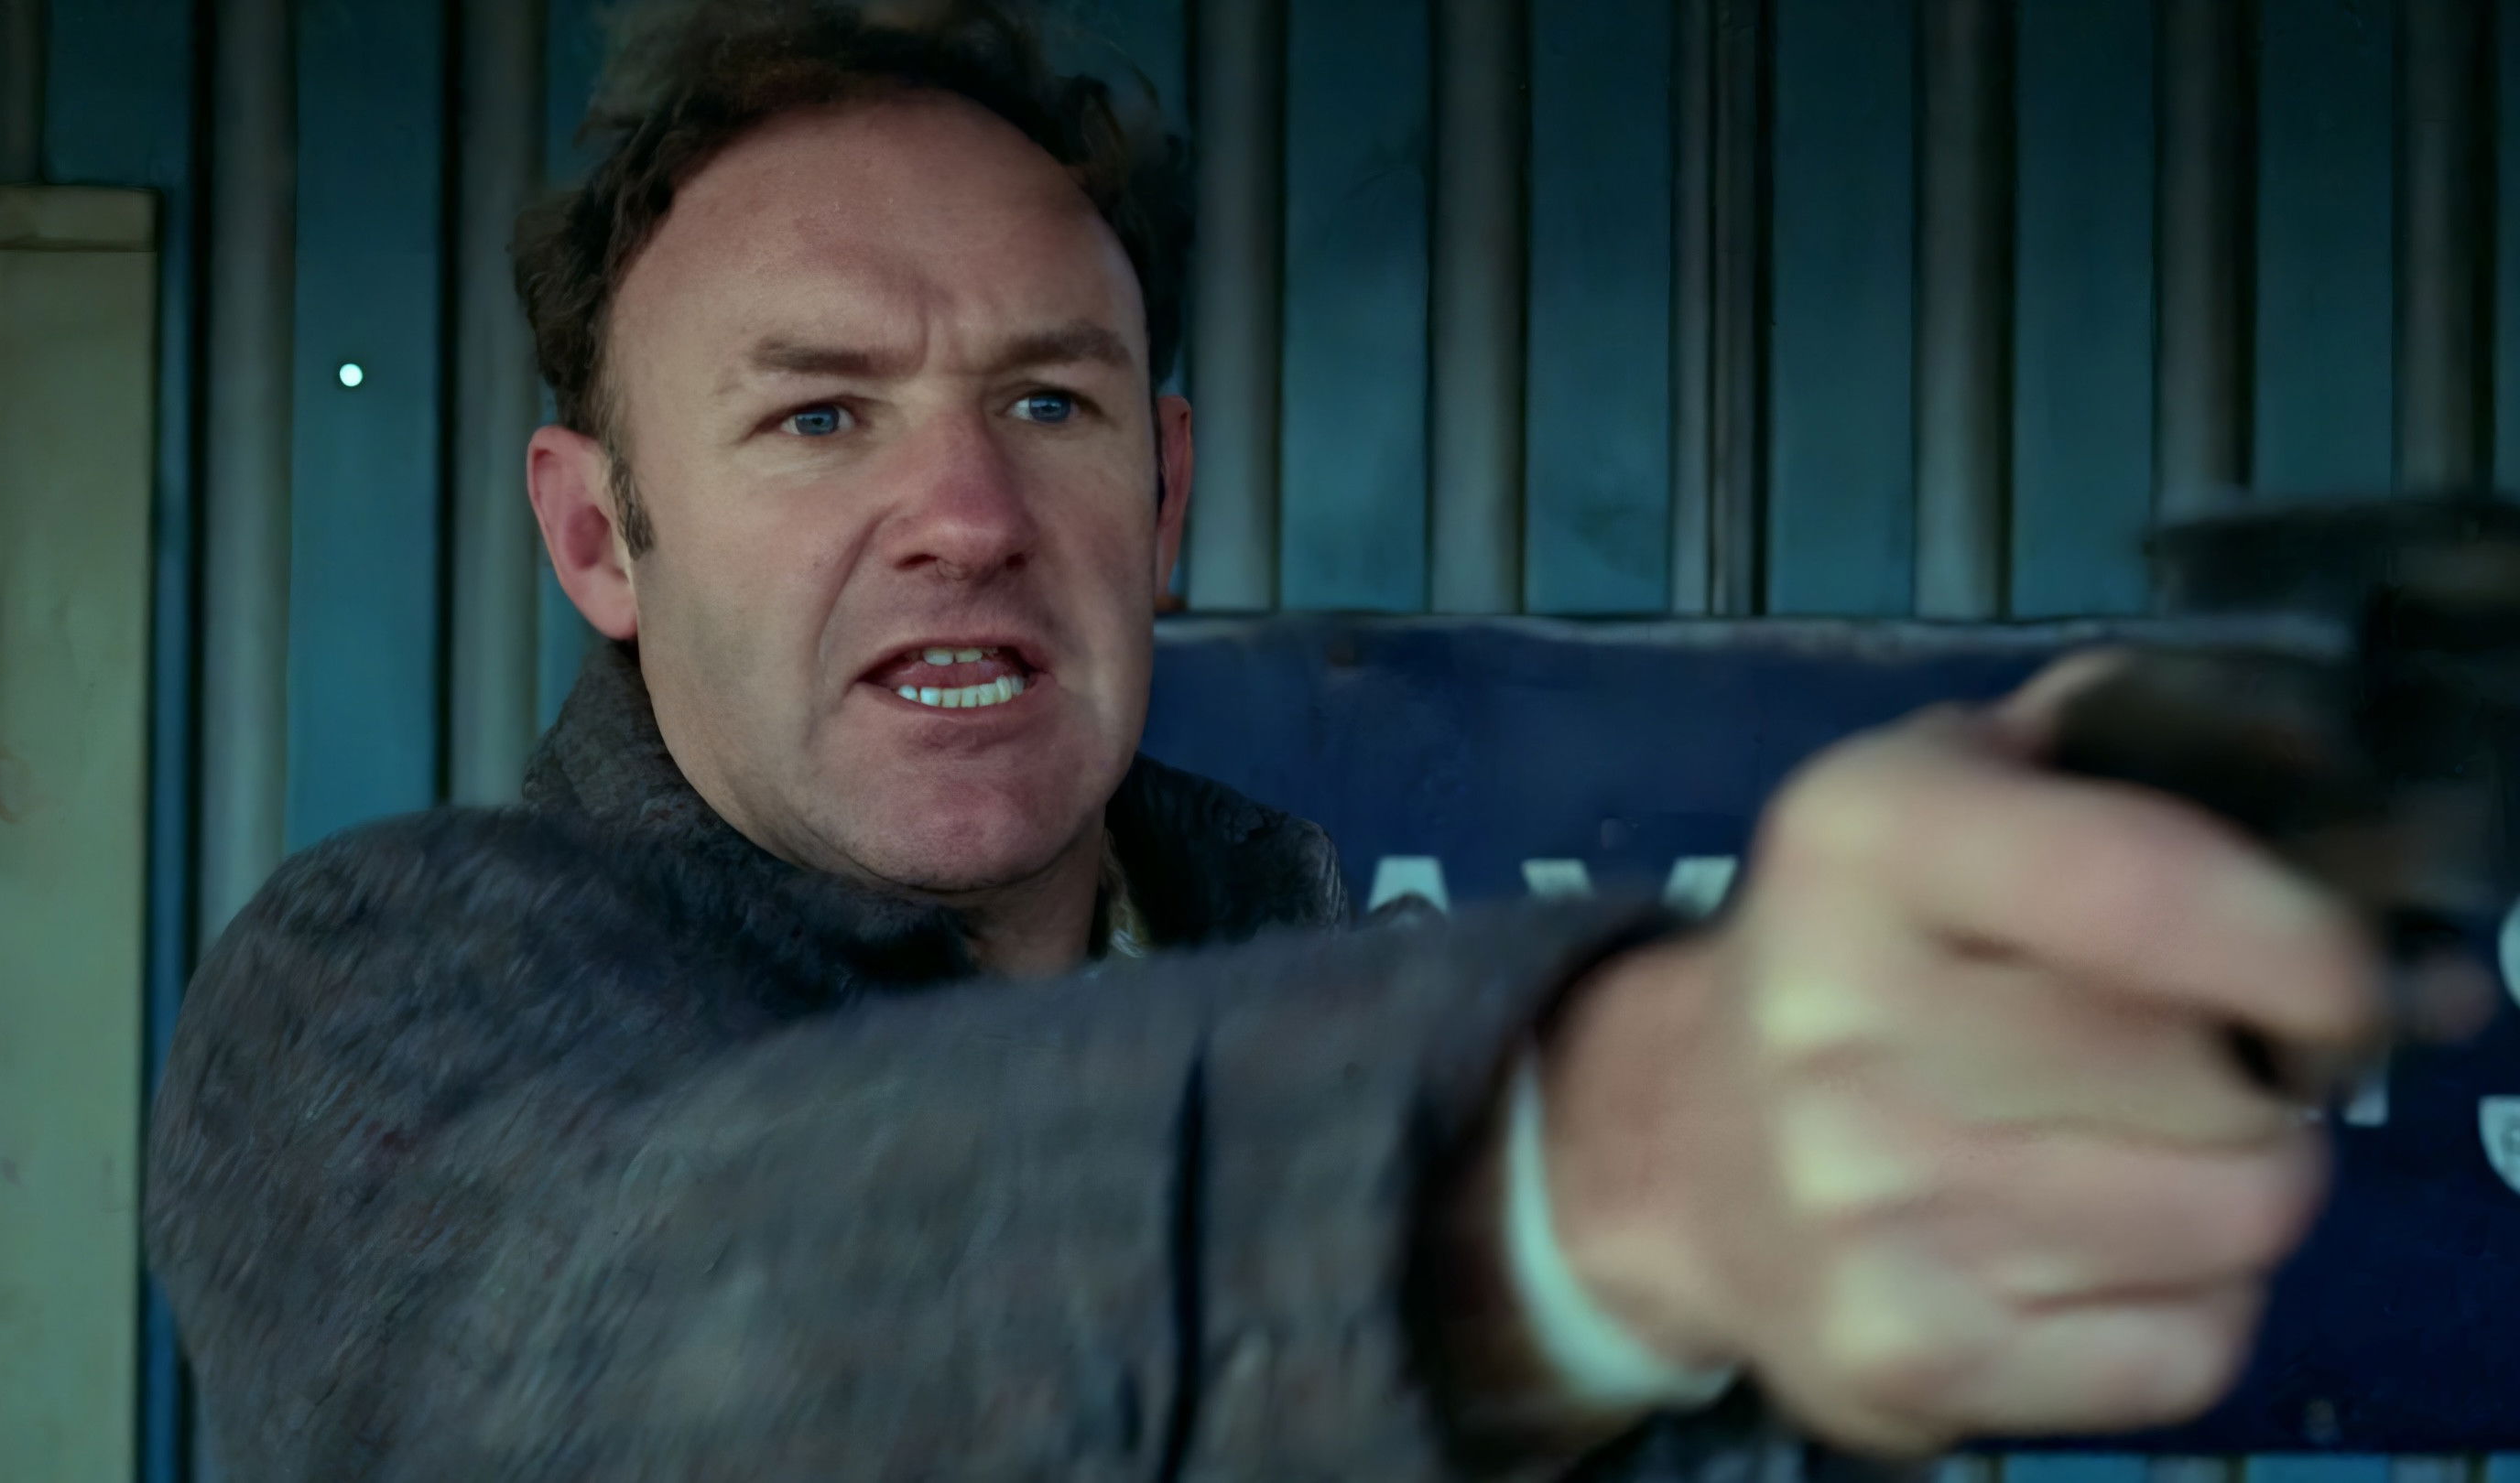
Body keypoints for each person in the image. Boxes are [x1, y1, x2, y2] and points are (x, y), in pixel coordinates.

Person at [145, 2, 2394, 1478]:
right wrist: (1609, 1157)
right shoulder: (359, 1006)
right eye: (819, 417)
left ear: (1166, 492)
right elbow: (627, 1321)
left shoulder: (1297, 950)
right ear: (597, 540)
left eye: (1051, 402)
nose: (965, 514)